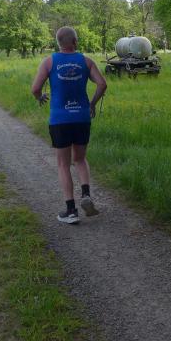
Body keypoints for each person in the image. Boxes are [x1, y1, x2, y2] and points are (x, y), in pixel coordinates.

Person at [31, 26, 107, 224]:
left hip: (60, 120)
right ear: (75, 41)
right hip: (82, 118)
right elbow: (102, 84)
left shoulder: (49, 62)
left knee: (63, 164)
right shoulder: (86, 61)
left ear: (58, 43)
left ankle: (71, 211)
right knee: (80, 159)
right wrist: (92, 104)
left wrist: (40, 97)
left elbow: (35, 88)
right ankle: (86, 194)